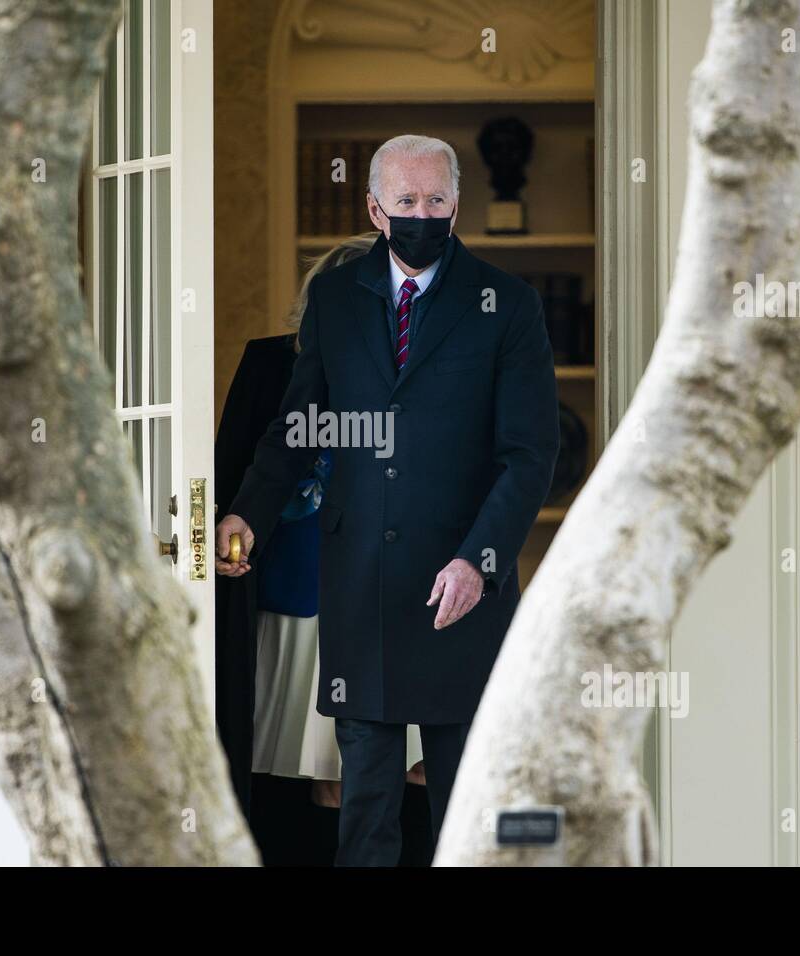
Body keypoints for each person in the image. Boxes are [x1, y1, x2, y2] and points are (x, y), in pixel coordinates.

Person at [215, 134, 559, 866]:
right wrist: (248, 511)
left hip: (460, 587)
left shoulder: (509, 303)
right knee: (364, 809)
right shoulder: (336, 300)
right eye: (406, 202)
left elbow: (530, 457)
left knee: (465, 805)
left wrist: (479, 562)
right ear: (375, 209)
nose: (423, 214)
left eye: (437, 201)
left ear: (457, 205)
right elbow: (299, 427)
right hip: (361, 584)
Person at [214, 236, 431, 866]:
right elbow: (235, 471)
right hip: (297, 590)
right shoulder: (273, 362)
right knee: (322, 775)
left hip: (401, 595)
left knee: (415, 764)